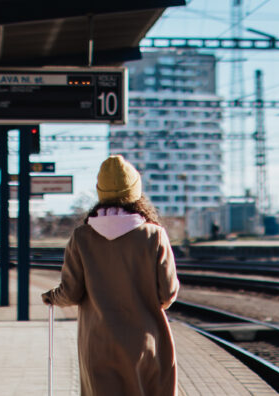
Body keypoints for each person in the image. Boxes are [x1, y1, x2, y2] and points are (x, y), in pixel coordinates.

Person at [43, 155, 180, 396]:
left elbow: (71, 293)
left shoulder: (82, 237)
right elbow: (167, 293)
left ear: (100, 193)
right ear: (135, 192)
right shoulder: (154, 235)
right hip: (145, 340)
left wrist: (52, 297)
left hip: (97, 343)